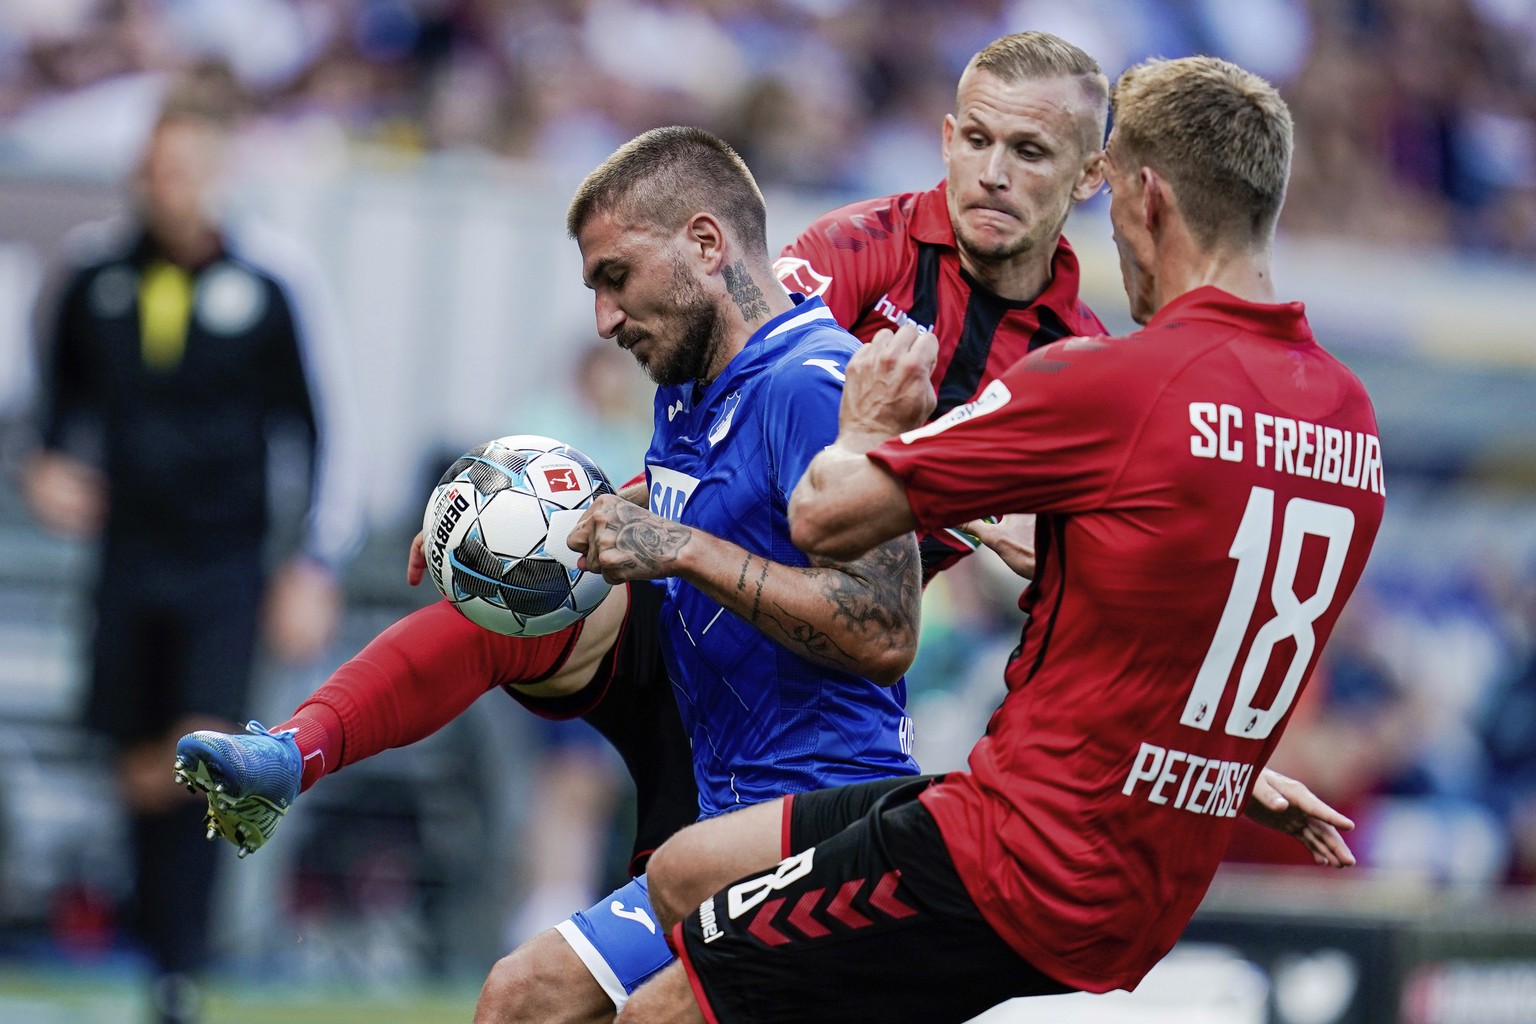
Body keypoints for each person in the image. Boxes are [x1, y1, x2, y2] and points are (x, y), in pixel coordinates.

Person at [618, 55, 1386, 1024]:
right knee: (691, 868)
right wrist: (1226, 770)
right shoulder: (1347, 419)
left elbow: (822, 514)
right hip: (1149, 860)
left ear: (1140, 195)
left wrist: (868, 424)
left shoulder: (1116, 380)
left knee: (661, 1010)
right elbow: (1182, 609)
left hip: (1020, 857)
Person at [173, 125, 925, 1024]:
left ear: (704, 243)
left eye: (615, 277)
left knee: (573, 1006)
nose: (603, 318)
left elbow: (886, 630)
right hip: (713, 802)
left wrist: (682, 552)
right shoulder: (697, 389)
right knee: (522, 994)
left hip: (820, 826)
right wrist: (484, 528)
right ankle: (295, 750)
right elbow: (716, 498)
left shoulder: (812, 382)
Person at [21, 66, 362, 1024]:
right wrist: (41, 471)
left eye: (189, 168)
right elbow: (46, 418)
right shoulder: (95, 276)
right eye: (157, 168)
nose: (171, 186)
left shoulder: (271, 278)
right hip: (127, 558)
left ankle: (183, 968)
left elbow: (325, 425)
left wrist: (316, 561)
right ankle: (154, 956)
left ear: (217, 172)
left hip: (226, 563)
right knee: (133, 760)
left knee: (203, 751)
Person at [774, 30, 1110, 579]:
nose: (993, 175)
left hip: (891, 641)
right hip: (732, 572)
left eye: (1029, 152)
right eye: (978, 140)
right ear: (949, 140)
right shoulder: (852, 246)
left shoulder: (1089, 368)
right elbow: (737, 405)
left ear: (1090, 176)